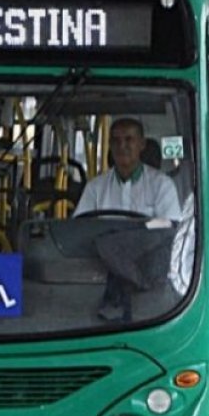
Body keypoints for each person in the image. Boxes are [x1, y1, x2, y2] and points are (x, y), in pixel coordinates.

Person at [75, 119, 182, 321]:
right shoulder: (95, 187)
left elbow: (169, 235)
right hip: (98, 280)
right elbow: (79, 230)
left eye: (129, 139)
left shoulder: (162, 186)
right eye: (115, 141)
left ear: (142, 144)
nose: (121, 146)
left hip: (148, 283)